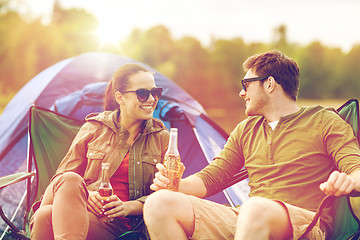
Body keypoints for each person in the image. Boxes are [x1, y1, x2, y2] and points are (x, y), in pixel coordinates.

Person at [143, 50, 360, 240]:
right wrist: (175, 186)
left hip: (306, 223)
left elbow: (357, 171)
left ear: (270, 84)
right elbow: (211, 178)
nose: (241, 92)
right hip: (249, 217)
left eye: (246, 84)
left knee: (255, 207)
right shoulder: (245, 129)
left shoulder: (324, 120)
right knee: (159, 203)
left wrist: (348, 179)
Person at [30, 63, 169, 240]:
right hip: (85, 215)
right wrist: (87, 195)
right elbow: (62, 179)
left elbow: (169, 196)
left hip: (128, 227)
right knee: (68, 180)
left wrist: (129, 206)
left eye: (155, 92)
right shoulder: (94, 128)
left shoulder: (162, 138)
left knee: (44, 216)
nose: (151, 99)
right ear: (120, 97)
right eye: (143, 93)